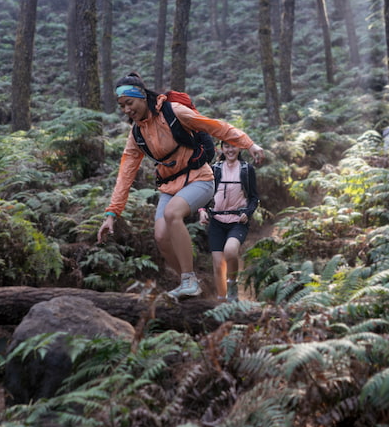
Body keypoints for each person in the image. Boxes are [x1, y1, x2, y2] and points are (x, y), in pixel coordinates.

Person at [97, 72, 264, 299]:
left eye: (129, 103)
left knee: (172, 213)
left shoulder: (174, 112)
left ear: (142, 96)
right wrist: (111, 214)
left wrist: (249, 144)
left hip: (200, 179)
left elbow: (216, 127)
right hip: (170, 186)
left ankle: (188, 281)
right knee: (161, 236)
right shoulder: (137, 134)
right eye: (121, 106)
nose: (126, 110)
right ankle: (189, 281)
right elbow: (125, 174)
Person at [198, 142, 259, 302]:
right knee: (218, 264)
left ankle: (232, 286)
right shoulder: (214, 169)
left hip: (238, 221)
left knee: (230, 251)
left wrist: (247, 212)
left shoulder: (247, 169)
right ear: (221, 149)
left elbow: (254, 198)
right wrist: (202, 211)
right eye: (227, 147)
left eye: (233, 146)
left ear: (239, 148)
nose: (230, 150)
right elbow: (205, 194)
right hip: (217, 221)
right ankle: (221, 300)